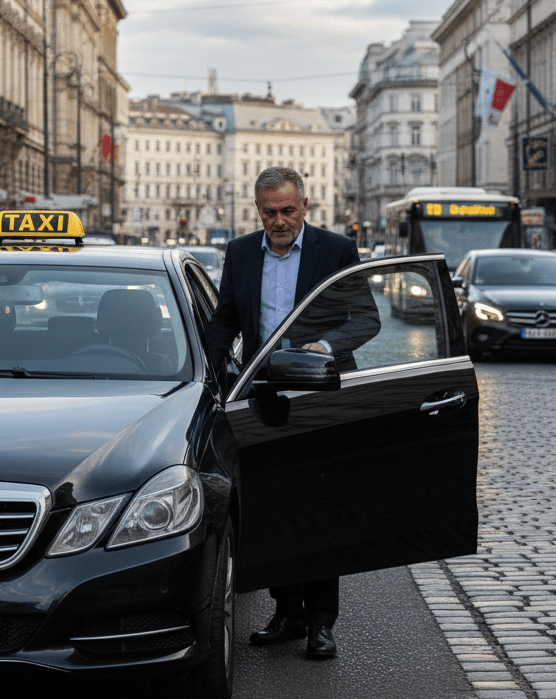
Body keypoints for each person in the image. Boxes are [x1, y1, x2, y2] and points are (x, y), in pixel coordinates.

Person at [204, 167, 363, 660]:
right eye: (269, 212)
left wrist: (327, 345)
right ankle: (287, 612)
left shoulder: (335, 251)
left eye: (288, 210)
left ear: (305, 206)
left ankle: (320, 623)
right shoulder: (240, 252)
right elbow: (227, 318)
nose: (279, 221)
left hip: (318, 395)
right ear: (258, 210)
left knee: (317, 508)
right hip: (266, 398)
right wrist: (203, 374)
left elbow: (365, 318)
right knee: (271, 508)